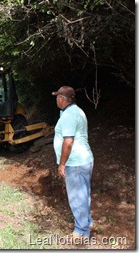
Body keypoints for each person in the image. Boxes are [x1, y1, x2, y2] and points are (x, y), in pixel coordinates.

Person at [52, 86, 94, 238]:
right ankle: (87, 221)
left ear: (62, 99)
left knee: (77, 196)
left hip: (75, 162)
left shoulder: (69, 115)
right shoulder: (77, 111)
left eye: (57, 96)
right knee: (84, 194)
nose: (56, 99)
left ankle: (81, 231)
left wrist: (62, 164)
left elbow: (68, 142)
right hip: (84, 160)